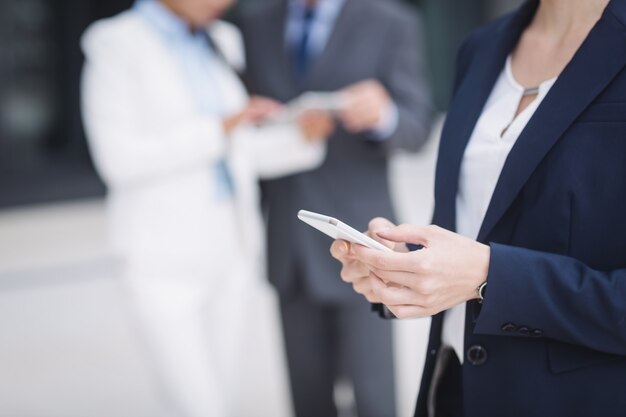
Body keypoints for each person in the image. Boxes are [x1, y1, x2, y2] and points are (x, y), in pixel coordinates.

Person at [330, 0, 626, 416]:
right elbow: (479, 224)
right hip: (455, 388)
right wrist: (405, 265)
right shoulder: (482, 48)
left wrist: (488, 277)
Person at [80, 0, 334, 416]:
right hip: (160, 260)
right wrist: (221, 125)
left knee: (221, 396)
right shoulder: (115, 43)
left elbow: (238, 152)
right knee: (198, 405)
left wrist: (304, 137)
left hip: (230, 250)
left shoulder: (222, 39)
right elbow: (118, 160)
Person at [237, 1, 434, 416]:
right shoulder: (253, 23)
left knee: (374, 396)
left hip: (363, 241)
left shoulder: (390, 22)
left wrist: (384, 115)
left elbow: (416, 126)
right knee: (308, 400)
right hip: (288, 243)